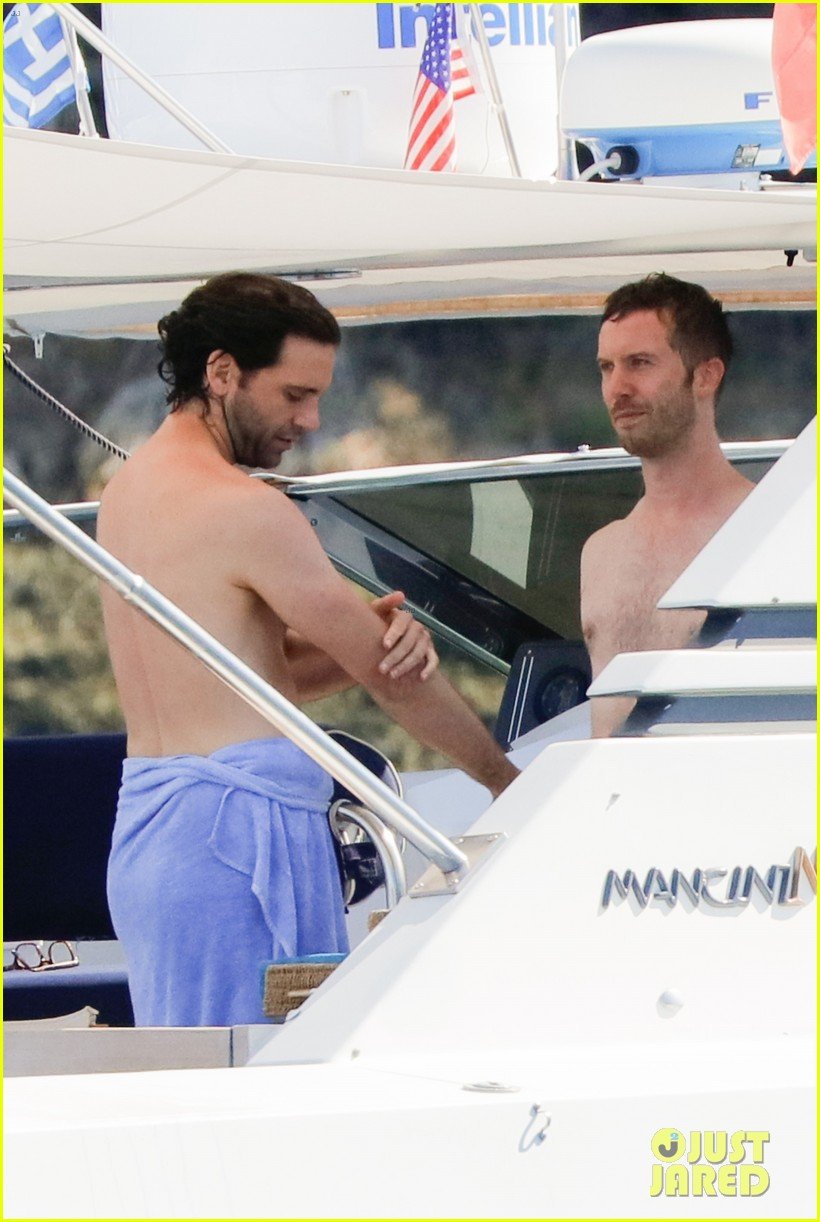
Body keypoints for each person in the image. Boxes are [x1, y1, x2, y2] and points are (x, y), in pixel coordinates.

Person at [98, 272, 519, 1028]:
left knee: (191, 1078)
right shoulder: (246, 509)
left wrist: (359, 638)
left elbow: (255, 676)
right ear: (221, 372)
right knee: (262, 1081)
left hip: (153, 846)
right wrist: (505, 783)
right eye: (294, 395)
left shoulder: (125, 496)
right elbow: (392, 678)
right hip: (236, 855)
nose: (311, 420)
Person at [580, 273, 755, 739]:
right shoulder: (600, 552)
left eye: (639, 363)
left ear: (706, 375)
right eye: (606, 367)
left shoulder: (770, 534)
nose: (618, 388)